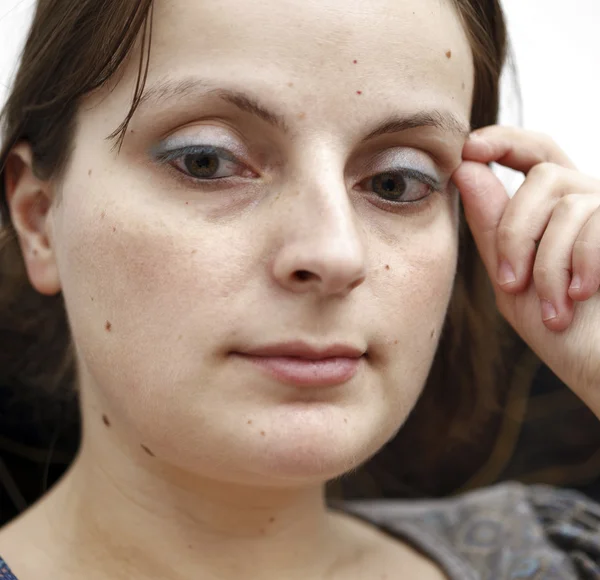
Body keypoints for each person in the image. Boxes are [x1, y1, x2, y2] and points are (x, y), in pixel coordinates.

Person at [1, 0, 600, 578]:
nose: (334, 253)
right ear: (37, 218)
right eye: (206, 160)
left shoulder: (556, 560)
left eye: (396, 181)